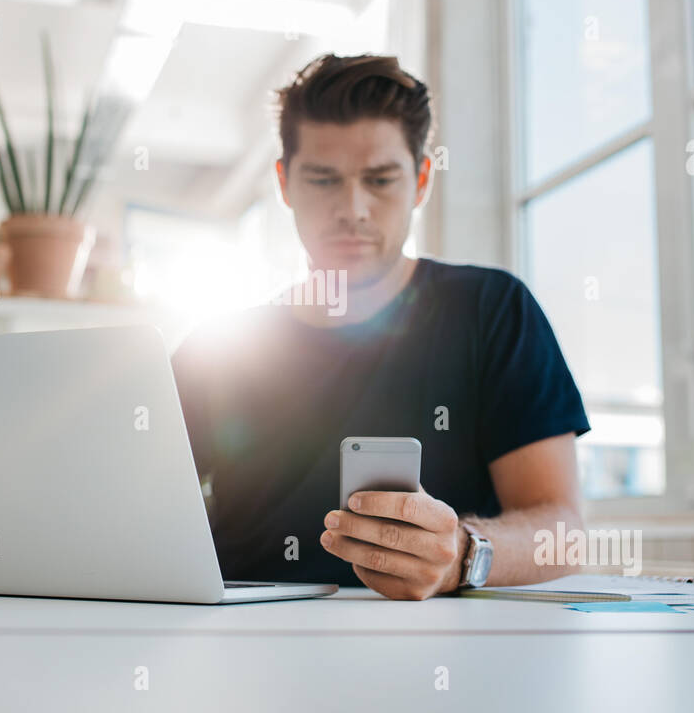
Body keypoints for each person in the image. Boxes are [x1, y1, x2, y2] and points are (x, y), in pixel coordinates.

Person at [170, 53, 590, 600]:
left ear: (420, 181)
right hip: (242, 641)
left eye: (380, 180)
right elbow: (132, 502)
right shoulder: (217, 350)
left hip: (436, 647)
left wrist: (464, 554)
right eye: (323, 179)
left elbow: (563, 530)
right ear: (285, 184)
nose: (353, 208)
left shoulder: (492, 310)